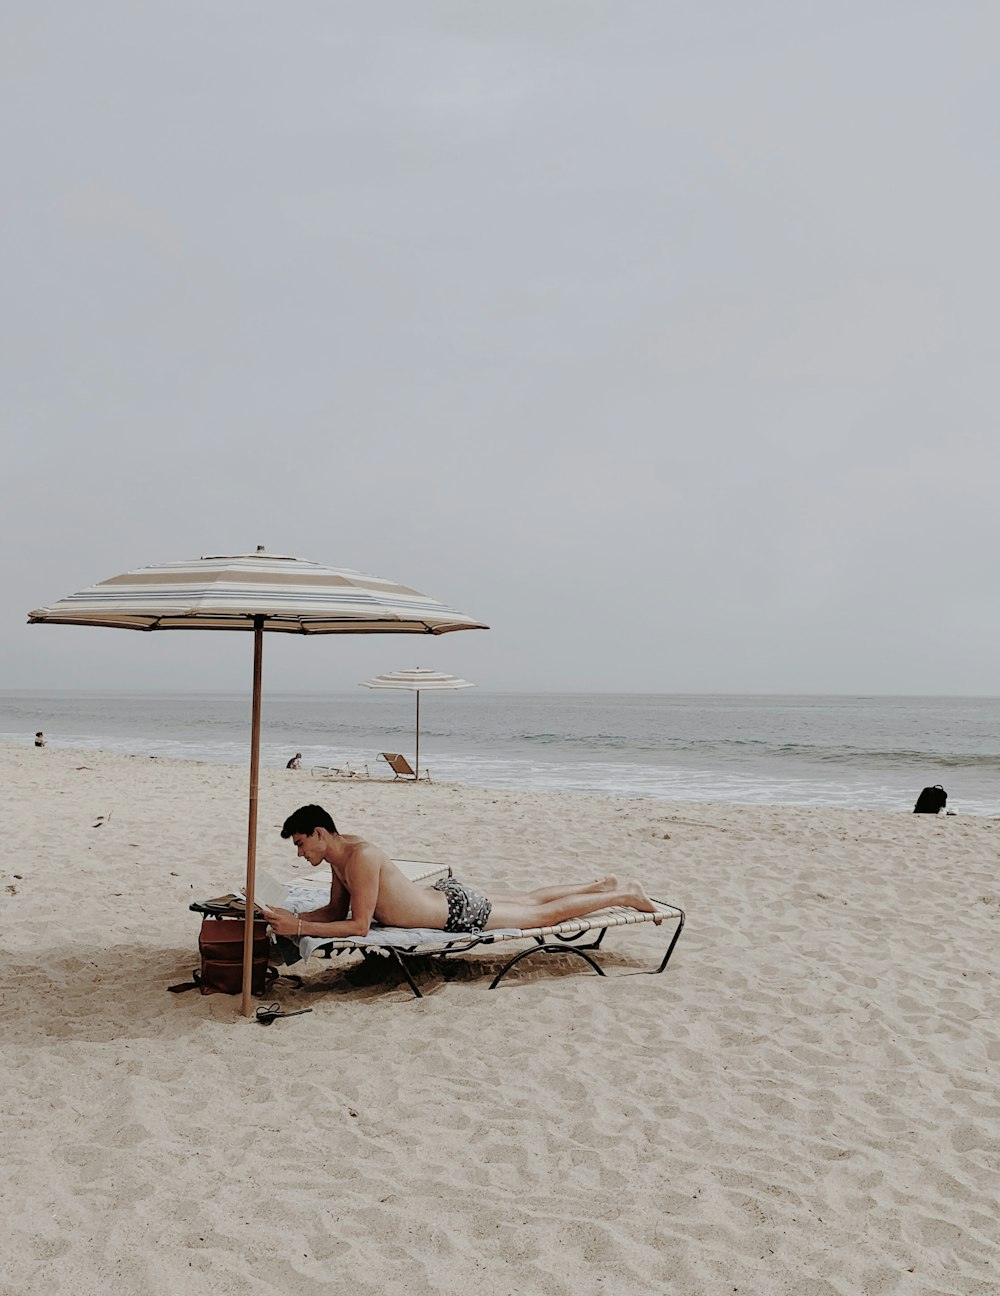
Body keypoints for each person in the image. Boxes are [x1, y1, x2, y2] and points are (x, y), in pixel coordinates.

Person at [258, 804, 659, 940]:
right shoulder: (340, 856)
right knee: (529, 899)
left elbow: (359, 926)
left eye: (299, 843)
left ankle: (624, 895)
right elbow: (333, 912)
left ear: (319, 833)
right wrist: (290, 918)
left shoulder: (360, 857)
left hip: (454, 912)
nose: (299, 852)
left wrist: (300, 929)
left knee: (541, 914)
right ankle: (601, 883)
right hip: (445, 899)